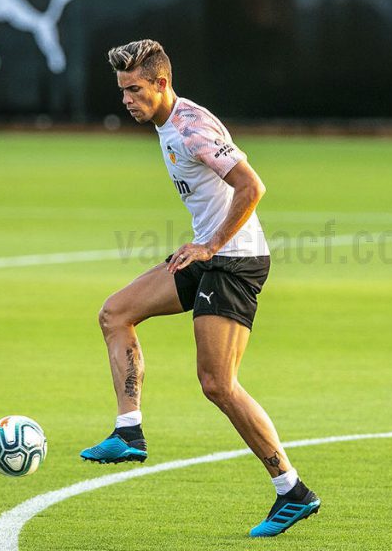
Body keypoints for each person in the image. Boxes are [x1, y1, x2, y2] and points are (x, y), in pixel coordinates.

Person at [80, 39, 320, 537]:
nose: (126, 100)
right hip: (206, 254)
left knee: (217, 384)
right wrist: (202, 246)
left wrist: (209, 245)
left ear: (162, 83)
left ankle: (291, 490)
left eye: (134, 89)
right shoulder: (168, 123)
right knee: (115, 313)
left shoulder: (192, 128)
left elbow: (252, 187)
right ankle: (129, 432)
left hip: (234, 262)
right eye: (123, 90)